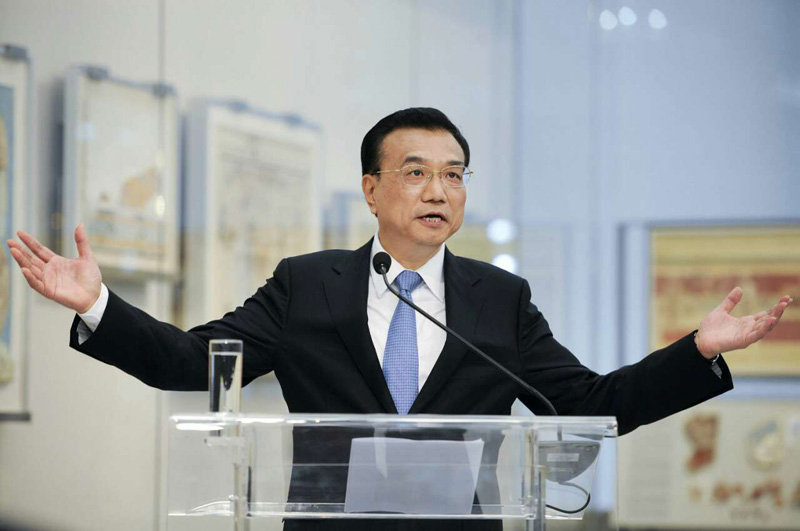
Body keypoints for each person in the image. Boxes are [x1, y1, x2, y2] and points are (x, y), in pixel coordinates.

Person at [7, 108, 792, 530]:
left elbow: (590, 402)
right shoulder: (308, 285)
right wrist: (98, 306)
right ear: (372, 189)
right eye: (415, 172)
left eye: (454, 174)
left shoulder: (499, 298)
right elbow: (191, 360)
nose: (438, 190)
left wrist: (696, 350)